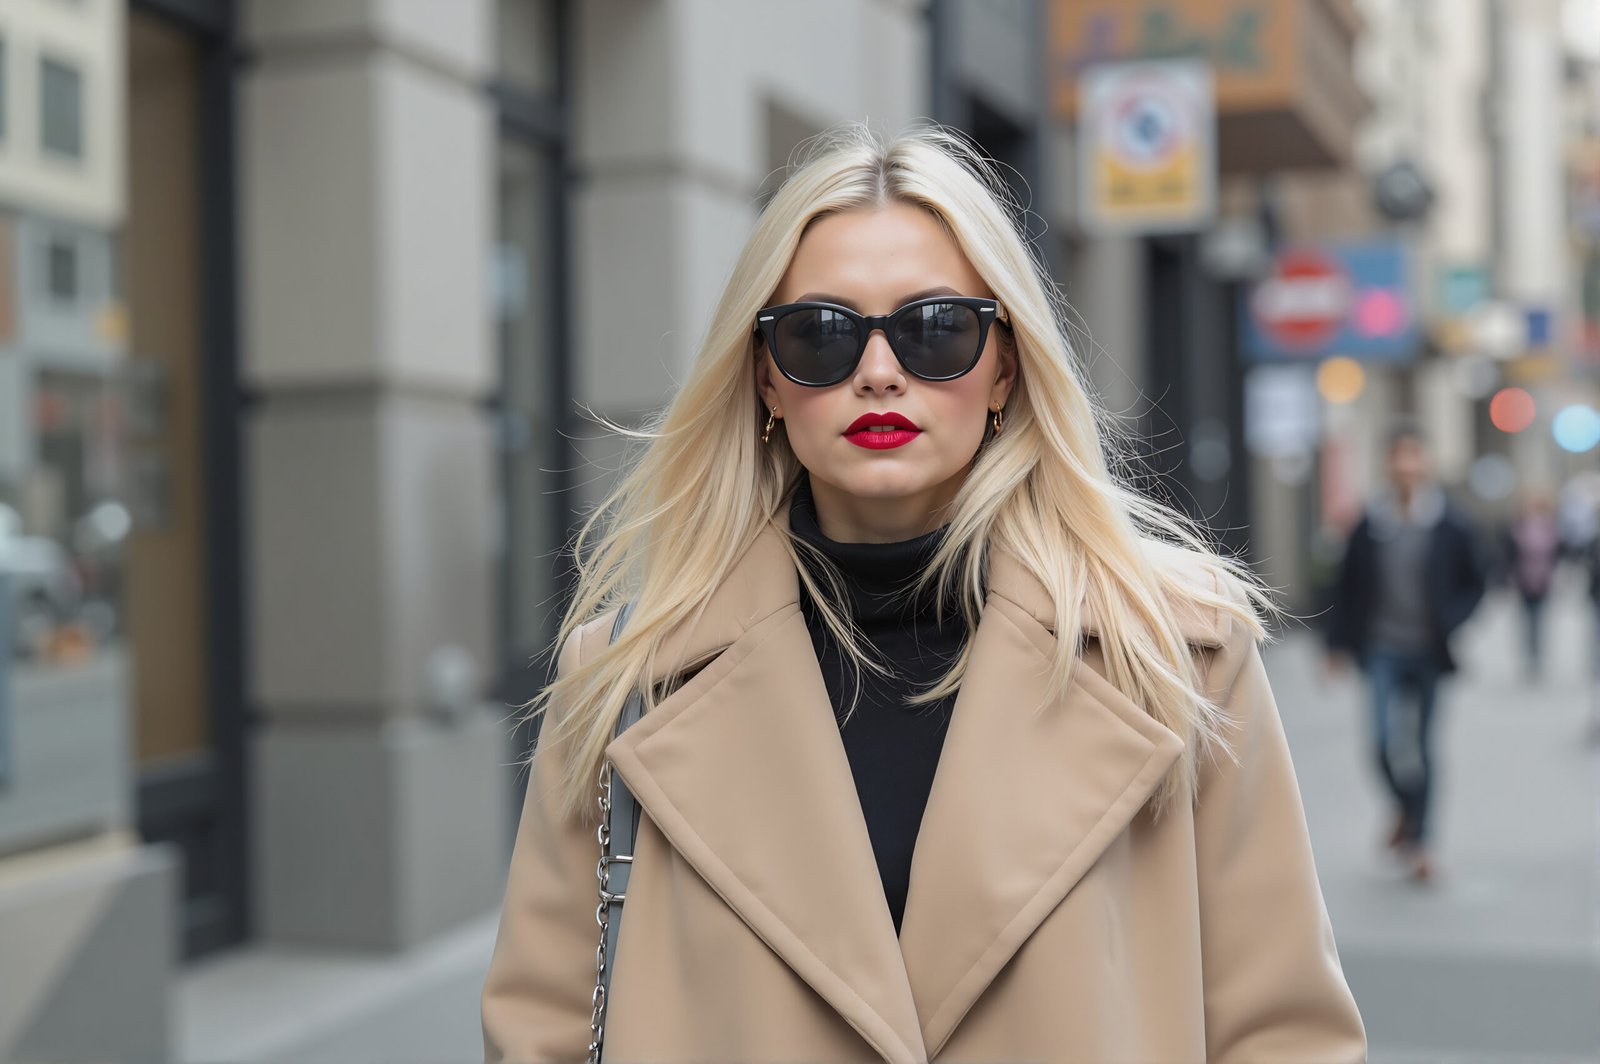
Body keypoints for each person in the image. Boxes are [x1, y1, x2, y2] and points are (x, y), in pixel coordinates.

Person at [482, 124, 1365, 1063]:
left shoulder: (1178, 655)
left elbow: (1284, 1035)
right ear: (766, 381)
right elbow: (540, 1029)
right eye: (820, 335)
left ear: (1005, 364)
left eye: (935, 328)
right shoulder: (627, 679)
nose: (878, 371)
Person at [1324, 424, 1488, 885]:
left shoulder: (1452, 523)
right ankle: (1405, 809)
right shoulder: (1369, 524)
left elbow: (1478, 580)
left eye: (1414, 456)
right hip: (1380, 649)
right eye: (1399, 457)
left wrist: (1452, 622)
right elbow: (1345, 587)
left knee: (1423, 748)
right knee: (1379, 743)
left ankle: (1420, 843)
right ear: (1387, 464)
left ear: (1427, 462)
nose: (1407, 466)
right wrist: (1335, 647)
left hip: (1429, 652)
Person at [1505, 493, 1561, 678]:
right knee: (1526, 619)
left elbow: (1558, 553)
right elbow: (1510, 553)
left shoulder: (1550, 527)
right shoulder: (1519, 526)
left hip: (1544, 580)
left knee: (1540, 618)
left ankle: (1537, 655)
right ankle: (1528, 654)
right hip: (1523, 579)